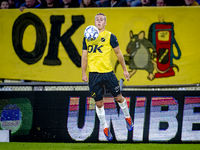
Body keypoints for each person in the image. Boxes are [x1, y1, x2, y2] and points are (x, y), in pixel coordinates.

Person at [81, 13, 133, 141]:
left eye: (101, 20)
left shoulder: (110, 36)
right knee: (98, 103)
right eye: (97, 20)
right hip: (93, 75)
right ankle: (105, 127)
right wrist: (83, 72)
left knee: (119, 98)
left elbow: (119, 54)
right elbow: (84, 56)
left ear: (105, 23)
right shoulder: (87, 37)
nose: (99, 21)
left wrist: (125, 70)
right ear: (94, 22)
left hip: (108, 73)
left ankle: (127, 117)